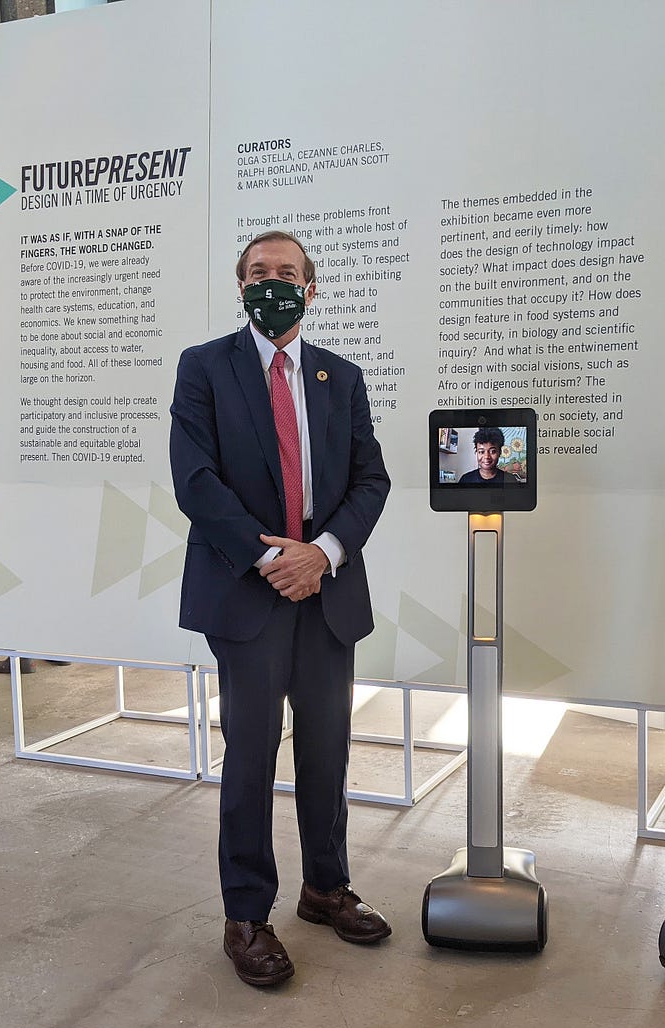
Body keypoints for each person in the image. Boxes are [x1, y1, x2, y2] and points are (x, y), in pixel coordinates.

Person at [169, 230, 392, 987]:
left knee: (327, 751)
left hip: (326, 594)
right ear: (241, 286)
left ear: (311, 288)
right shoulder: (204, 368)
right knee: (252, 757)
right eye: (259, 273)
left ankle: (325, 888)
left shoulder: (341, 377)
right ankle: (246, 915)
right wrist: (273, 559)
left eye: (287, 273)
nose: (274, 282)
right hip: (249, 594)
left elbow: (372, 482)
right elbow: (196, 480)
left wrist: (320, 553)